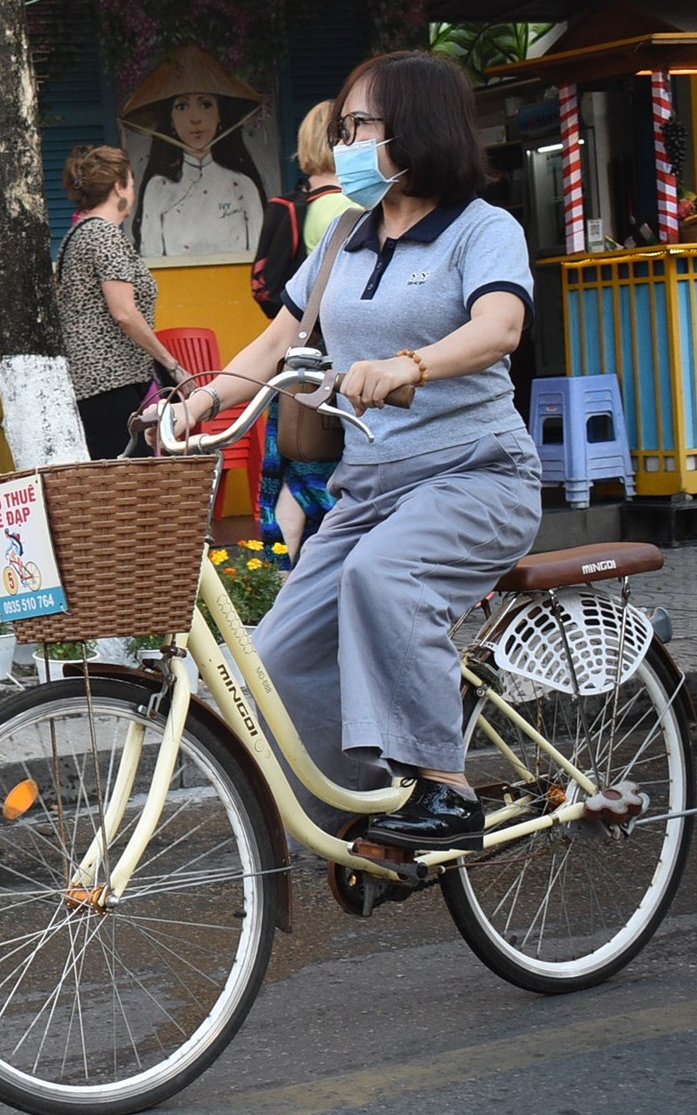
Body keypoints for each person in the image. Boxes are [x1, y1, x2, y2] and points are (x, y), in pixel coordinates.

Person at [168, 50, 541, 852]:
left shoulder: (484, 228)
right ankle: (367, 812)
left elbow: (499, 327)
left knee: (385, 576)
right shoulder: (345, 236)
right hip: (370, 490)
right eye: (342, 128)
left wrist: (409, 364)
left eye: (361, 125)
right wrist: (197, 400)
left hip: (475, 476)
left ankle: (445, 788)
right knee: (272, 660)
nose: (346, 143)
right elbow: (277, 338)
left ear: (416, 126)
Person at [249, 100, 363, 554]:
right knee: (333, 476)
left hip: (295, 365)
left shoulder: (292, 206)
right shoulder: (359, 209)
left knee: (294, 472)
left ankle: (287, 569)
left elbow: (267, 291)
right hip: (347, 368)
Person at [55, 144, 191, 460]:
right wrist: (173, 365)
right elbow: (125, 312)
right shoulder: (104, 235)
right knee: (132, 485)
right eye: (131, 182)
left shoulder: (78, 234)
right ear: (119, 188)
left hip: (95, 385)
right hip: (110, 385)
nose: (133, 190)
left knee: (119, 484)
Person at [123, 45, 268, 259]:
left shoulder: (242, 186)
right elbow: (151, 259)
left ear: (220, 115)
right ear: (170, 119)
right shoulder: (158, 189)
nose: (195, 118)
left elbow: (259, 259)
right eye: (182, 106)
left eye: (206, 104)